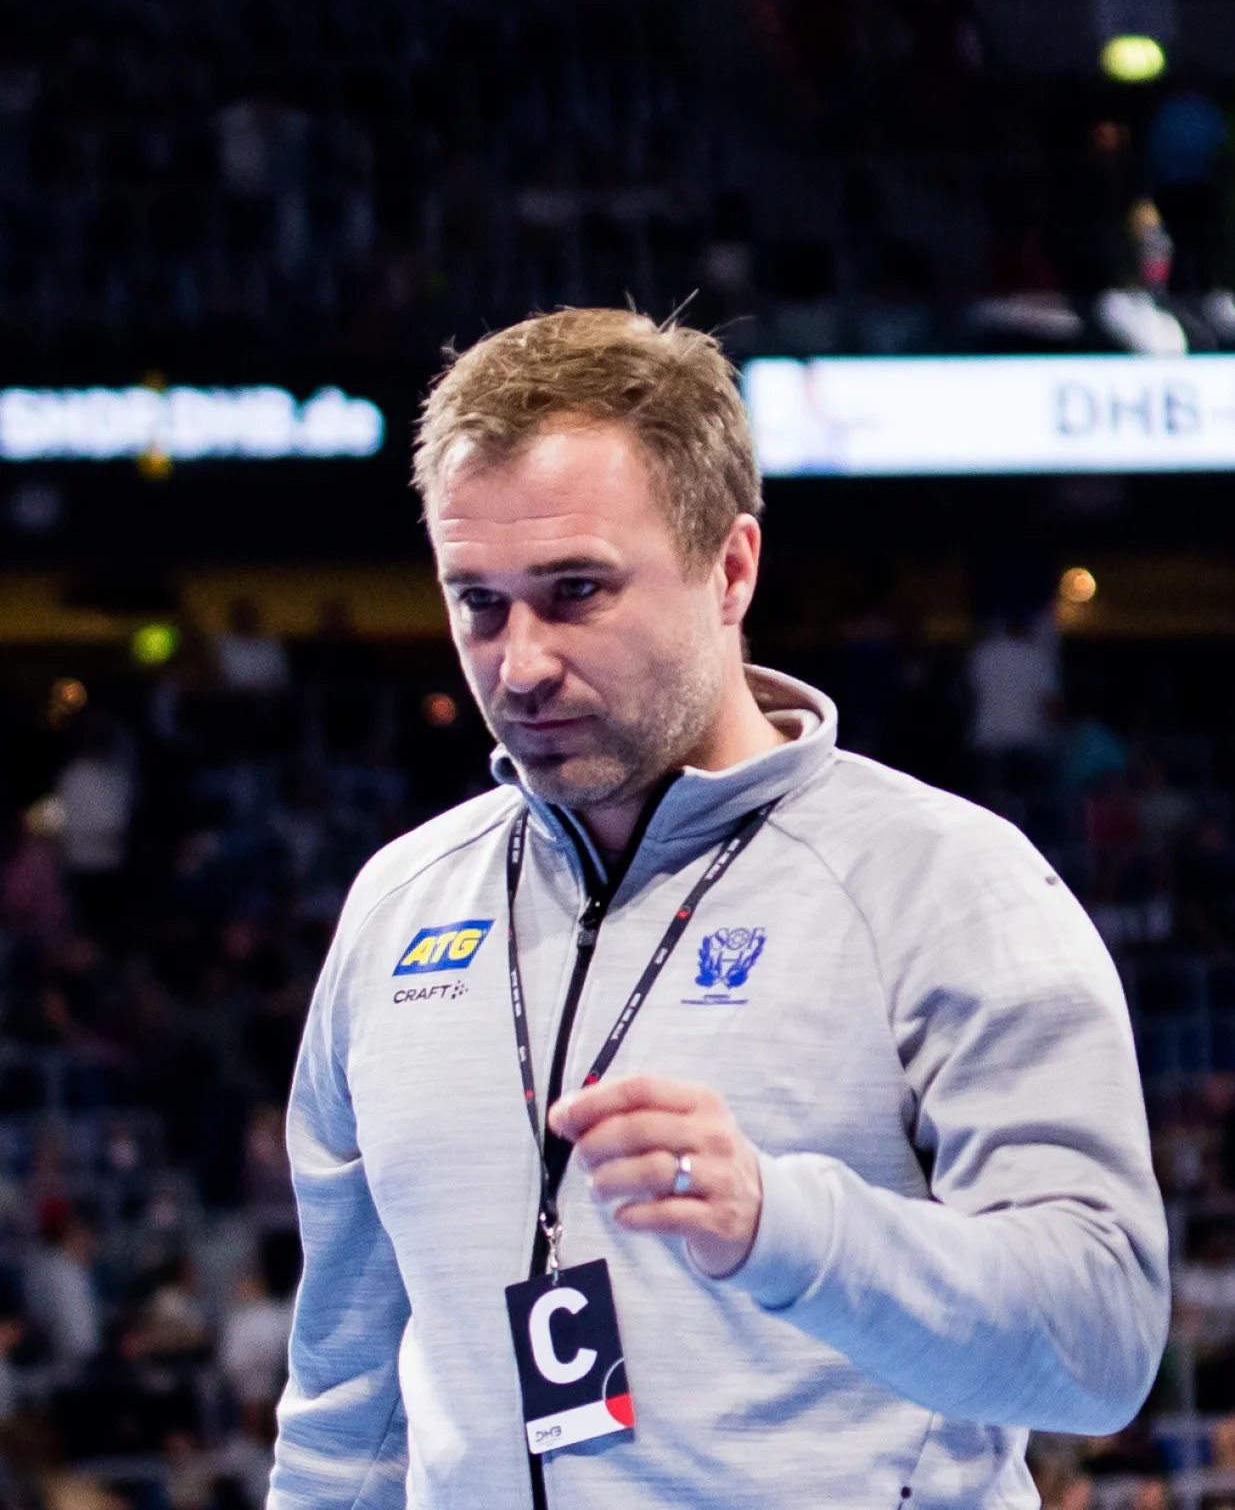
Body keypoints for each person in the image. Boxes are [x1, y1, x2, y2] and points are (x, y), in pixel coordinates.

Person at [270, 309, 1168, 1510]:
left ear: (729, 567)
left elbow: (1098, 1340)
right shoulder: (398, 908)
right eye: (476, 601)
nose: (519, 663)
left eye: (573, 589)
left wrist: (778, 1223)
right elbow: (347, 1412)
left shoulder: (945, 884)